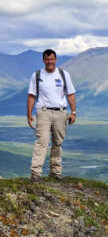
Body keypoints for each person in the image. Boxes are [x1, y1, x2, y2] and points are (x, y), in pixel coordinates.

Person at [27, 49, 77, 181]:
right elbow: (32, 95)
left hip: (61, 112)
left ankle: (55, 172)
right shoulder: (37, 75)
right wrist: (29, 114)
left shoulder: (64, 75)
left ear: (56, 60)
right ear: (43, 60)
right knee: (42, 142)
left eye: (52, 59)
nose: (49, 62)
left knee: (57, 142)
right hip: (43, 112)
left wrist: (73, 112)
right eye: (47, 59)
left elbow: (70, 94)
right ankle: (36, 173)